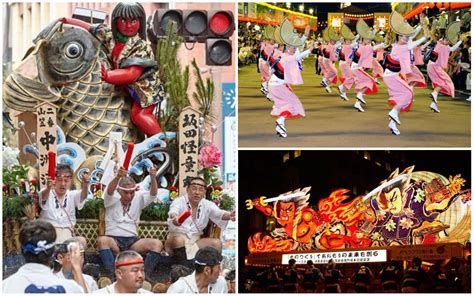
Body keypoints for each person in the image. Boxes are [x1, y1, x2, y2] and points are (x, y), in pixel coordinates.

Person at [60, 2, 165, 137]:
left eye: (133, 21)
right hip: (125, 87)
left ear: (140, 22)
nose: (128, 25)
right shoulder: (109, 35)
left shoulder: (141, 46)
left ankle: (160, 144)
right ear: (116, 21)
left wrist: (109, 76)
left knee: (139, 115)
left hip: (145, 89)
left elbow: (132, 73)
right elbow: (90, 28)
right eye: (123, 20)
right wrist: (66, 20)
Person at [96, 166, 164, 280]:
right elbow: (109, 190)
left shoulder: (138, 197)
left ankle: (144, 277)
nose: (129, 196)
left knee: (157, 244)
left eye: (131, 193)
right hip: (114, 241)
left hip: (132, 242)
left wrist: (153, 177)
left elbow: (152, 194)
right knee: (102, 240)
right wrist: (118, 177)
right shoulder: (111, 197)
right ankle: (114, 277)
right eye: (126, 193)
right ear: (119, 190)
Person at [165, 176, 235, 264]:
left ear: (204, 192)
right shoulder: (179, 201)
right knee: (179, 240)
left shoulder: (207, 204)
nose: (197, 192)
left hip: (195, 242)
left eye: (201, 189)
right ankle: (184, 269)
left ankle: (214, 271)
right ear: (187, 189)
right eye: (194, 189)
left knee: (216, 243)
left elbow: (219, 213)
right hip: (175, 240)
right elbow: (173, 212)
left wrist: (230, 215)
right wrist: (175, 218)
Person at [3, 220, 84, 293]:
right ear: (53, 252)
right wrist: (77, 268)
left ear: (21, 250)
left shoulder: (5, 287)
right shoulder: (71, 288)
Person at [383, 11, 429, 135]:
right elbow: (417, 40)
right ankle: (393, 112)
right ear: (399, 36)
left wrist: (420, 24)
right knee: (408, 95)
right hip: (392, 77)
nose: (407, 38)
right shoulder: (402, 47)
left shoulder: (396, 44)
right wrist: (425, 32)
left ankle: (392, 123)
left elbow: (411, 36)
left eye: (407, 37)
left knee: (402, 97)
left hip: (392, 76)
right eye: (404, 36)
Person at [39, 163, 88, 245]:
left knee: (82, 241)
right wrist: (48, 188)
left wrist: (85, 185)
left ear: (70, 181)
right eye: (59, 180)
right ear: (54, 180)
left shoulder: (72, 195)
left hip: (67, 235)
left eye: (66, 181)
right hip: (49, 234)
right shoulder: (47, 192)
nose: (63, 184)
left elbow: (83, 196)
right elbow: (43, 198)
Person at [426, 26, 464, 113]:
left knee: (439, 83)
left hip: (431, 67)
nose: (448, 42)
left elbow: (449, 46)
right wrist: (460, 40)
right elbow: (452, 48)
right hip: (434, 67)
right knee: (446, 81)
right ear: (443, 39)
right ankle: (434, 93)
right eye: (447, 40)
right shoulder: (442, 46)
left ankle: (434, 104)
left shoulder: (439, 44)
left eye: (448, 41)